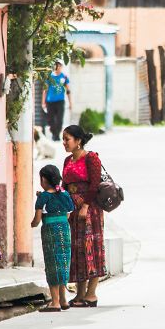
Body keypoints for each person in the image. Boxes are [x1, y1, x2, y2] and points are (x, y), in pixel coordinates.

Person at [61, 124, 106, 307]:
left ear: (78, 141)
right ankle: (79, 294)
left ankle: (91, 294)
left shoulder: (91, 158)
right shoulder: (67, 161)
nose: (64, 143)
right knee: (77, 251)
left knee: (91, 249)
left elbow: (95, 185)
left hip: (90, 211)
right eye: (63, 139)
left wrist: (85, 206)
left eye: (67, 139)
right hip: (74, 211)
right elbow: (64, 185)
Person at [31, 165, 75, 312]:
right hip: (64, 229)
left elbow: (37, 220)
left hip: (50, 231)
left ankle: (55, 302)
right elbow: (68, 214)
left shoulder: (43, 197)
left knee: (52, 264)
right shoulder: (64, 194)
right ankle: (63, 300)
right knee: (63, 262)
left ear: (44, 179)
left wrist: (32, 224)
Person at [42, 60, 71, 141]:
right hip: (50, 101)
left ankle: (56, 135)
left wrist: (70, 102)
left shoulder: (64, 77)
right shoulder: (49, 77)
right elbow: (45, 90)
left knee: (59, 119)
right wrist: (43, 102)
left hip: (60, 101)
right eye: (56, 66)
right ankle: (54, 133)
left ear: (61, 67)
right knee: (50, 120)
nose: (58, 67)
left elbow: (68, 90)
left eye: (59, 66)